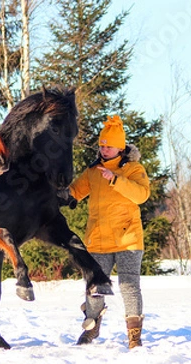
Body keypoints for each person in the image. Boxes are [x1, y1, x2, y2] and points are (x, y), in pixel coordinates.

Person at [61, 115, 150, 348]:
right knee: (94, 286)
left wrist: (115, 179)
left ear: (120, 147)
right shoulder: (93, 172)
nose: (104, 149)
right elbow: (74, 192)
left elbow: (142, 195)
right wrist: (55, 194)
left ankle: (134, 335)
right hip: (99, 239)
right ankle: (91, 326)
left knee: (128, 285)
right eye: (102, 145)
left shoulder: (133, 169)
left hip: (128, 238)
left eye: (109, 145)